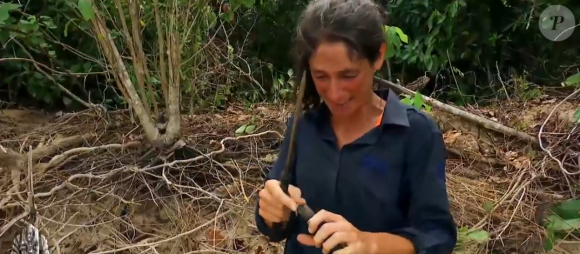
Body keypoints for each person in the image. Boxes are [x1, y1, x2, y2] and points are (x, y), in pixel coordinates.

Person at [255, 0, 457, 253]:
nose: (335, 93)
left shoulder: (415, 133)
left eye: (348, 76)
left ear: (378, 57)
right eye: (321, 76)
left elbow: (437, 237)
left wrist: (370, 244)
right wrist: (273, 211)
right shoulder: (303, 128)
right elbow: (274, 223)